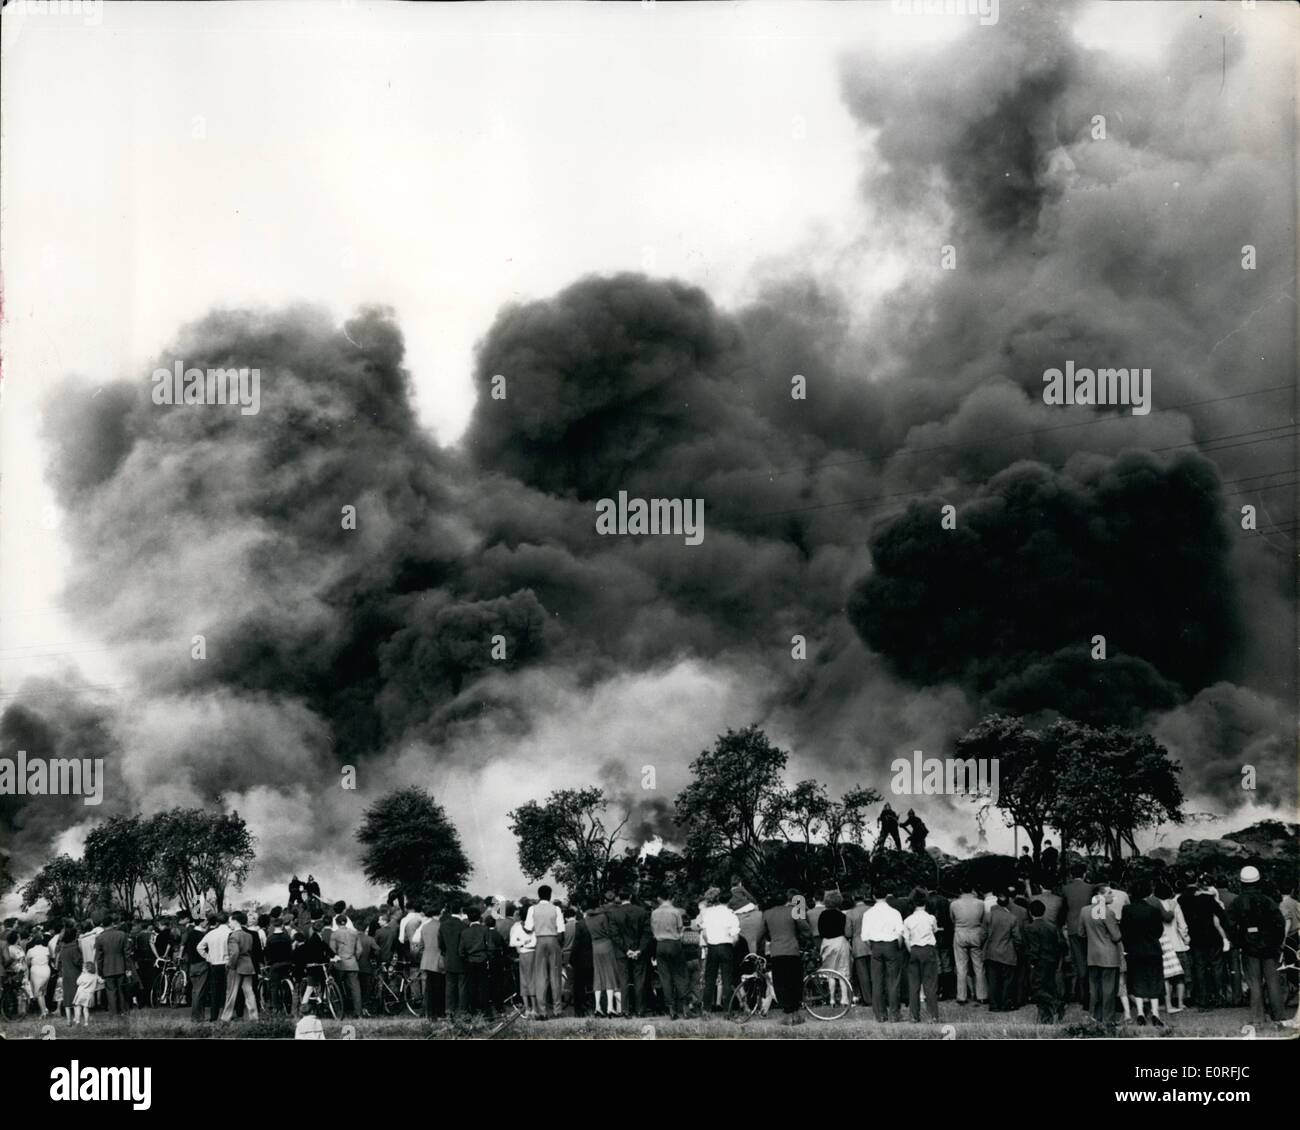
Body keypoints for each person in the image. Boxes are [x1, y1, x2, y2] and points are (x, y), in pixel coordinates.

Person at [1228, 865, 1286, 1024]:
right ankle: (1279, 1016)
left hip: (1249, 947)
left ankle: (1258, 1018)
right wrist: (1276, 943)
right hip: (1269, 947)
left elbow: (1230, 926)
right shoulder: (1268, 900)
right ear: (1258, 881)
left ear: (1241, 883)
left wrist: (1239, 942)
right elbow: (1280, 923)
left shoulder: (1237, 902)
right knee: (1273, 981)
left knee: (1254, 983)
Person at [1120, 877, 1166, 1027]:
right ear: (1148, 893)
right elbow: (1159, 931)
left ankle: (1140, 1013)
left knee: (1137, 980)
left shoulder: (1127, 910)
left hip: (1134, 950)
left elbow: (1124, 931)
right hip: (1152, 949)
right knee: (1154, 980)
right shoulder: (1153, 910)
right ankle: (1155, 1013)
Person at [763, 889, 812, 1025]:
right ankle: (796, 1013)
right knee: (794, 981)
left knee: (781, 983)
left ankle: (787, 1013)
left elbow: (764, 933)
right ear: (786, 900)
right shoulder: (793, 911)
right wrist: (801, 937)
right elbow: (805, 929)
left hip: (776, 952)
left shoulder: (767, 914)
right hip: (792, 950)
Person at [862, 888, 905, 1022]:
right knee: (893, 981)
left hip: (875, 946)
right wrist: (897, 947)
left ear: (874, 896)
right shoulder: (894, 912)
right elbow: (900, 933)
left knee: (877, 981)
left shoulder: (868, 913)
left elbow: (865, 936)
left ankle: (880, 1014)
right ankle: (894, 1014)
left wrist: (873, 946)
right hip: (891, 945)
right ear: (886, 896)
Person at [1082, 887, 1122, 1028]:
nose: (1113, 895)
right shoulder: (1109, 912)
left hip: (1092, 955)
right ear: (1100, 895)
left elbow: (1081, 933)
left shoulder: (1084, 911)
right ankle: (1108, 1020)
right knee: (1109, 989)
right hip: (1109, 956)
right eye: (1109, 893)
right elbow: (1116, 936)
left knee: (1095, 989)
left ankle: (1095, 1017)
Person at [524, 884, 566, 1019]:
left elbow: (528, 928)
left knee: (541, 977)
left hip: (539, 941)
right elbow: (561, 930)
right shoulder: (556, 909)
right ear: (550, 895)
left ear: (539, 895)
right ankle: (557, 1010)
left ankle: (542, 1011)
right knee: (555, 977)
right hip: (553, 940)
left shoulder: (532, 909)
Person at [700, 887, 740, 1013]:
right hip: (726, 946)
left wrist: (711, 942)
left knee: (710, 979)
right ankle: (727, 1010)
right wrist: (730, 944)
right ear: (729, 901)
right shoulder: (731, 914)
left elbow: (705, 934)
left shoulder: (709, 913)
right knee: (727, 979)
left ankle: (706, 1009)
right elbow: (735, 937)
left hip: (712, 947)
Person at [901, 892, 940, 1022]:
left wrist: (911, 951)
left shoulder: (908, 920)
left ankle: (914, 1016)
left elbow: (906, 939)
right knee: (930, 984)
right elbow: (934, 930)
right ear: (925, 902)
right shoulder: (931, 918)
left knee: (914, 985)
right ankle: (932, 1015)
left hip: (914, 950)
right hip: (928, 949)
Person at [1023, 898, 1064, 1023]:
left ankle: (1056, 1003)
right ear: (1044, 911)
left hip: (1039, 961)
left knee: (1037, 989)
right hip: (1051, 960)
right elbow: (1058, 944)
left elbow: (1035, 947)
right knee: (1048, 987)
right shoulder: (1052, 927)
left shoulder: (1030, 928)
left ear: (1030, 912)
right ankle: (1046, 1018)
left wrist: (1032, 962)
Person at [1154, 877, 1189, 1014]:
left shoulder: (1155, 905)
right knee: (1180, 976)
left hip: (1162, 945)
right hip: (1177, 943)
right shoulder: (1175, 905)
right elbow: (1182, 924)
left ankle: (1167, 1003)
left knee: (1166, 977)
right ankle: (1180, 1002)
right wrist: (1186, 938)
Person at [1061, 862, 1094, 1009]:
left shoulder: (1065, 889)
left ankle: (1082, 996)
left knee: (1079, 962)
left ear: (1071, 875)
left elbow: (1063, 910)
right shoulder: (1090, 888)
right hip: (1089, 928)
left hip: (1074, 928)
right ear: (1085, 874)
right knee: (1090, 961)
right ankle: (1090, 996)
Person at [651, 892, 687, 1019]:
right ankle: (684, 1008)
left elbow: (653, 932)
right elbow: (680, 929)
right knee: (679, 975)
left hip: (660, 945)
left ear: (659, 898)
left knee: (665, 977)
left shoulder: (654, 913)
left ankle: (671, 1009)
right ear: (672, 898)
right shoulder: (675, 912)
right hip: (674, 943)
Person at [950, 883, 987, 1006]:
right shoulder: (980, 903)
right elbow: (983, 920)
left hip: (960, 933)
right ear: (972, 890)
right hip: (975, 933)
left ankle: (962, 996)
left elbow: (952, 919)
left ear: (960, 890)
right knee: (979, 966)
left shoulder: (954, 904)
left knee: (961, 966)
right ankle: (982, 995)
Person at [983, 891, 1021, 1012]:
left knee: (993, 980)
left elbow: (983, 934)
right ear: (1008, 902)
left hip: (991, 951)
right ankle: (1005, 1004)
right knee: (1007, 980)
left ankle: (994, 1005)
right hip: (1007, 952)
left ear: (997, 902)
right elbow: (1017, 938)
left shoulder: (989, 915)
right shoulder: (1012, 918)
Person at [221, 911, 260, 1022]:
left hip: (236, 966)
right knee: (249, 993)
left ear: (235, 921)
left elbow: (235, 953)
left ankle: (225, 1018)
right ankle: (254, 1017)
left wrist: (230, 965)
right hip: (248, 965)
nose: (229, 924)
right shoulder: (249, 935)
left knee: (231, 993)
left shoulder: (233, 936)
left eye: (230, 921)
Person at [585, 902, 621, 1017]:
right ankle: (610, 1007)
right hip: (606, 945)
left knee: (598, 976)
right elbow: (608, 932)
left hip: (595, 946)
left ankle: (597, 1007)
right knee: (609, 976)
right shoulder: (602, 916)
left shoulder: (587, 918)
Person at [817, 891, 853, 1008]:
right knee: (843, 971)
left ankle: (832, 999)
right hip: (840, 942)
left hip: (827, 943)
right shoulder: (842, 916)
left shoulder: (822, 915)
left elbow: (821, 932)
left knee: (830, 972)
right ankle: (844, 999)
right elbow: (847, 933)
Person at [94, 914, 130, 1017]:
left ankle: (114, 1013)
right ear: (112, 923)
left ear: (102, 925)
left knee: (111, 992)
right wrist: (128, 967)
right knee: (121, 990)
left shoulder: (100, 938)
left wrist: (100, 971)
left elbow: (99, 957)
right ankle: (124, 1011)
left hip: (107, 967)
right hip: (121, 965)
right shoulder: (122, 934)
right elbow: (127, 953)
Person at [327, 912, 362, 1018]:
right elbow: (360, 950)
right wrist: (355, 958)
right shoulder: (354, 933)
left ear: (336, 923)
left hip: (340, 963)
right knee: (355, 989)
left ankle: (339, 1011)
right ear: (346, 922)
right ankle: (358, 1013)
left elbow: (332, 951)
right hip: (352, 962)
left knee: (337, 988)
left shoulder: (335, 934)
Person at [197, 912, 231, 1022]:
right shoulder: (230, 932)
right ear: (227, 921)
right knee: (228, 990)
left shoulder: (211, 934)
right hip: (227, 963)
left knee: (215, 991)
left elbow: (200, 947)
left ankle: (213, 1015)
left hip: (215, 964)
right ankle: (227, 1015)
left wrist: (208, 957)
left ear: (217, 922)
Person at [458, 905, 490, 1014]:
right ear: (480, 917)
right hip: (482, 960)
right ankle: (485, 1011)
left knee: (471, 987)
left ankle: (473, 1010)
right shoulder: (485, 929)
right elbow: (490, 947)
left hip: (470, 962)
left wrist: (466, 958)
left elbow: (461, 951)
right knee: (484, 987)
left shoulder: (465, 932)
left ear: (468, 917)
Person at [509, 901, 539, 1017]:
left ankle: (527, 1008)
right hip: (533, 954)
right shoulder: (535, 926)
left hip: (522, 955)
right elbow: (536, 942)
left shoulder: (517, 927)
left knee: (524, 981)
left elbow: (512, 942)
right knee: (533, 981)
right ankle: (534, 1008)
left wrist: (522, 943)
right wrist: (527, 943)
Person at [439, 904, 467, 1017]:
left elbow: (441, 944)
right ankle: (462, 1010)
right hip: (461, 959)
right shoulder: (463, 926)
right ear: (460, 910)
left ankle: (449, 1010)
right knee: (462, 986)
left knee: (450, 986)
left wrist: (446, 952)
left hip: (449, 958)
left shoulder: (443, 925)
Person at [419, 904, 445, 1020]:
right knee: (440, 987)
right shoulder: (441, 926)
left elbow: (421, 945)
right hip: (439, 959)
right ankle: (439, 1012)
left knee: (429, 988)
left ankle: (429, 1013)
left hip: (426, 959)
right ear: (440, 913)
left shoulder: (425, 926)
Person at [58, 922, 83, 1025]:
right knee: (77, 998)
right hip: (75, 974)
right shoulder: (74, 948)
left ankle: (68, 1020)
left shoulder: (63, 949)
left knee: (67, 999)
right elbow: (77, 961)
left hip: (66, 975)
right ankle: (77, 1020)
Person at [26, 930, 52, 1018]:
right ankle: (45, 1009)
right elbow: (50, 957)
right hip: (46, 969)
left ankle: (43, 1012)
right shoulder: (46, 949)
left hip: (36, 970)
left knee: (39, 992)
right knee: (43, 991)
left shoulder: (30, 951)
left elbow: (27, 962)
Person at [72, 959, 99, 1027]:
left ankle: (78, 1021)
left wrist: (81, 975)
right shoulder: (95, 976)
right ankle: (86, 1023)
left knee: (78, 1007)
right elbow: (101, 981)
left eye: (83, 968)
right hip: (89, 995)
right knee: (86, 1009)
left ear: (86, 969)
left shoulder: (83, 975)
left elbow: (77, 982)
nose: (82, 969)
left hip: (81, 994)